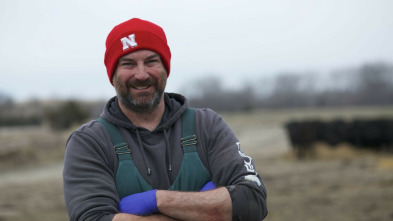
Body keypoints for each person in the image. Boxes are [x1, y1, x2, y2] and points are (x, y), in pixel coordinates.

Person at [63, 18, 268, 221]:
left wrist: (155, 200)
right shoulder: (89, 142)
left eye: (151, 61)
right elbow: (92, 217)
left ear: (165, 68)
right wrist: (207, 207)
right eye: (128, 64)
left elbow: (252, 201)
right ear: (113, 73)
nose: (141, 74)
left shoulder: (206, 125)